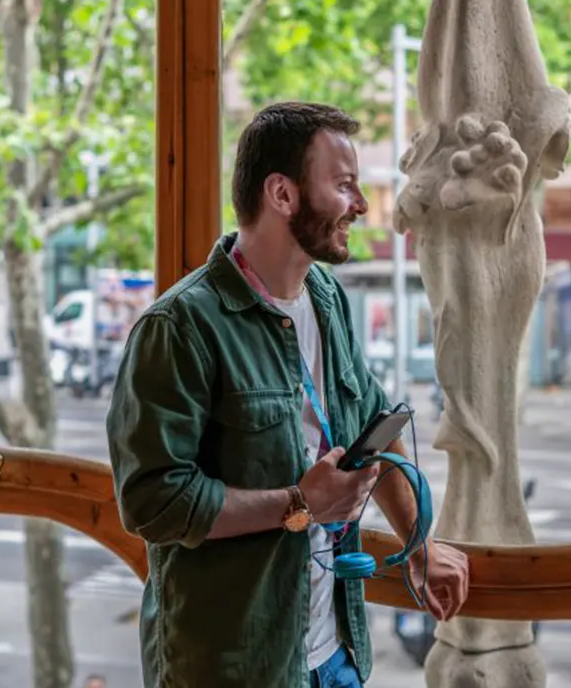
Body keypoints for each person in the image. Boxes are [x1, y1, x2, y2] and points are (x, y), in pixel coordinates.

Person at [107, 101, 471, 688]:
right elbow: (152, 502)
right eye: (345, 185)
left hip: (334, 657)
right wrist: (299, 504)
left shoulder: (325, 297)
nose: (359, 204)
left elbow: (372, 420)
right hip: (233, 669)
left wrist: (419, 543)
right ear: (282, 194)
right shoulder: (179, 327)